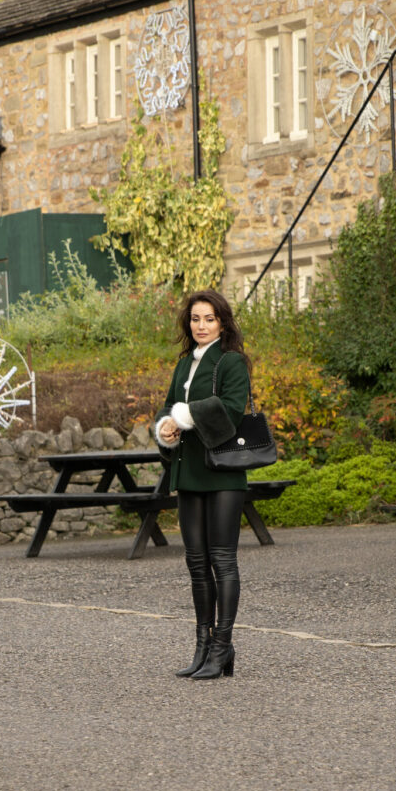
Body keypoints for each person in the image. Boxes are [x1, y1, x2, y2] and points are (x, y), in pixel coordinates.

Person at [154, 290, 251, 680]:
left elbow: (230, 409)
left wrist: (182, 415)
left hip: (223, 473)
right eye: (195, 319)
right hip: (189, 470)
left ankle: (223, 646)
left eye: (209, 319)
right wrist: (165, 427)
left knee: (222, 560)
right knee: (196, 564)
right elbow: (167, 406)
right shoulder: (183, 365)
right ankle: (202, 647)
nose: (201, 326)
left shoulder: (232, 362)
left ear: (222, 322)